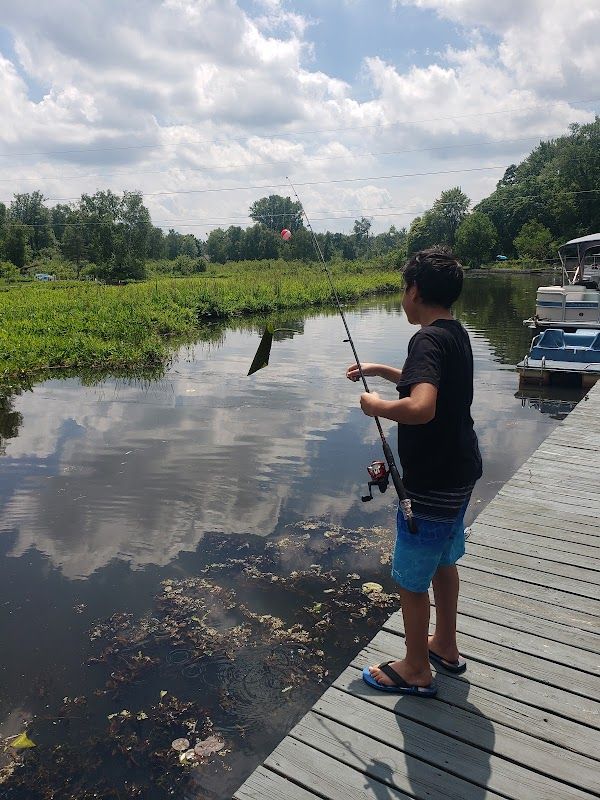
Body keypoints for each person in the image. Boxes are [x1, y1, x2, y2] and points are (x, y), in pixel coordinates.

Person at [346, 248, 482, 697]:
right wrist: (381, 371)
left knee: (409, 578)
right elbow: (426, 379)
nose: (403, 298)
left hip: (433, 483)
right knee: (443, 559)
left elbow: (422, 406)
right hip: (461, 472)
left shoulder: (425, 339)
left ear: (415, 290)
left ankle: (417, 667)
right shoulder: (452, 332)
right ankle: (444, 643)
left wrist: (377, 405)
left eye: (404, 289)